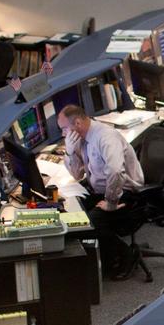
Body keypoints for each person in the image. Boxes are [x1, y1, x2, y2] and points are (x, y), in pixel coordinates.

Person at [58, 104, 146, 278]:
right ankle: (101, 257)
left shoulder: (105, 137)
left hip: (125, 193)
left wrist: (111, 203)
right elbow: (77, 174)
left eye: (64, 129)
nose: (63, 134)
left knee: (92, 222)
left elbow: (116, 172)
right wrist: (69, 151)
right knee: (68, 212)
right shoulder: (81, 139)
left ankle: (126, 254)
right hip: (102, 190)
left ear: (77, 123)